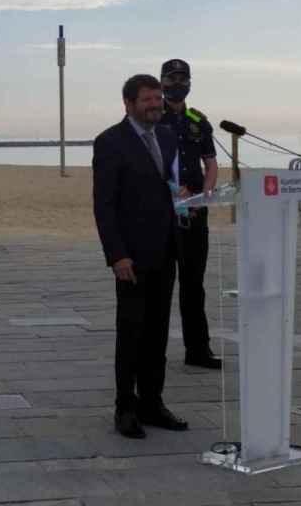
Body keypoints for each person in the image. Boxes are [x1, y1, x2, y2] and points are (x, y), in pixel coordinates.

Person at [93, 74, 189, 439]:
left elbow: (166, 184)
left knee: (158, 333)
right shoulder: (110, 142)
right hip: (131, 257)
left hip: (166, 250)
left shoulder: (167, 135)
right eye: (148, 100)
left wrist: (180, 197)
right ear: (128, 104)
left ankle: (153, 402)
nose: (155, 105)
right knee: (131, 333)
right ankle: (125, 408)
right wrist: (116, 255)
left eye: (158, 98)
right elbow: (104, 205)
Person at [159, 59, 222, 369]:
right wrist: (172, 189)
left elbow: (210, 163)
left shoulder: (199, 120)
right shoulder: (153, 119)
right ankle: (152, 352)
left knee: (194, 284)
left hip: (195, 214)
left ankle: (198, 349)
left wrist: (206, 193)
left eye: (183, 78)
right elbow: (147, 163)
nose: (178, 83)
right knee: (159, 284)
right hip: (162, 215)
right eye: (172, 78)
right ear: (162, 82)